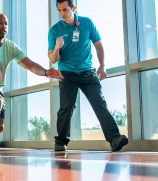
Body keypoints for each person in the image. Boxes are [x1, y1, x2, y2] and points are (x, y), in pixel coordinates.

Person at [0, 13, 63, 153]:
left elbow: (29, 65)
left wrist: (46, 73)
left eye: (6, 23)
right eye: (0, 22)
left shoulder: (11, 47)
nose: (4, 26)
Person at [48, 0, 128, 152]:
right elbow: (52, 59)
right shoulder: (54, 31)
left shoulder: (87, 23)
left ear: (74, 8)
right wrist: (57, 47)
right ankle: (61, 141)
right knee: (67, 107)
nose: (61, 14)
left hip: (88, 72)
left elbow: (98, 45)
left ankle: (114, 138)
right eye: (59, 10)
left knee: (99, 103)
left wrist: (102, 65)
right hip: (67, 73)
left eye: (65, 10)